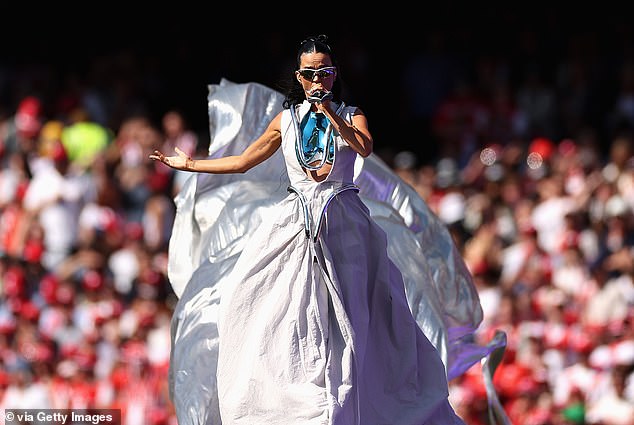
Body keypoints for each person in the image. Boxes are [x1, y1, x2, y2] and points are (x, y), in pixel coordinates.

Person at [150, 35, 502, 425]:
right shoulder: (286, 120)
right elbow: (243, 162)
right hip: (294, 223)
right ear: (299, 77)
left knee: (353, 314)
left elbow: (364, 148)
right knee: (263, 300)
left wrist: (332, 115)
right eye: (310, 73)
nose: (318, 80)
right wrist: (190, 165)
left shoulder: (352, 114)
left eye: (325, 72)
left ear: (334, 76)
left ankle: (353, 393)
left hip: (343, 222)